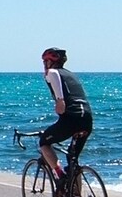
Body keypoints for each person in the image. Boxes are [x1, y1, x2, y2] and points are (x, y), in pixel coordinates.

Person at [34, 48, 91, 186]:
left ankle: (59, 175)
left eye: (44, 61)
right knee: (73, 160)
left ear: (50, 62)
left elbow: (61, 103)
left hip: (71, 119)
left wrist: (60, 100)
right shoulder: (71, 75)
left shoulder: (52, 72)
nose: (44, 65)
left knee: (44, 142)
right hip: (87, 118)